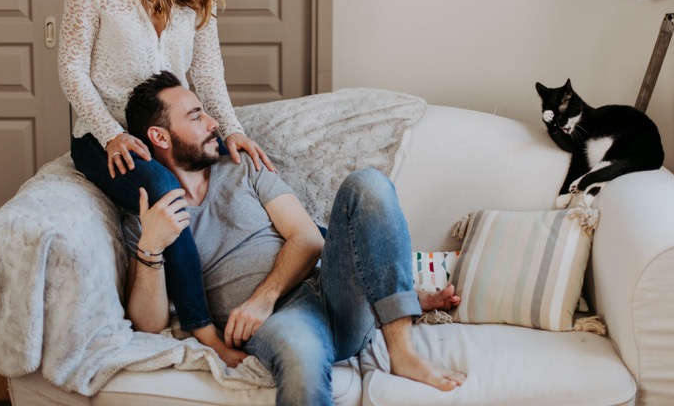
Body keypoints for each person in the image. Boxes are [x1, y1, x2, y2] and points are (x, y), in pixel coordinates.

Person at [122, 71, 467, 405]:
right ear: (160, 137)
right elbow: (148, 325)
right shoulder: (146, 215)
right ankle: (393, 299)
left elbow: (308, 238)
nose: (214, 124)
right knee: (301, 365)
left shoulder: (242, 166)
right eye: (196, 116)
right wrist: (151, 246)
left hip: (332, 288)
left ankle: (402, 351)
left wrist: (263, 298)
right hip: (283, 323)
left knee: (368, 184)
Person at [58, 0, 272, 365]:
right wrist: (111, 133)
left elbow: (208, 72)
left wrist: (231, 130)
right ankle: (202, 328)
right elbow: (70, 67)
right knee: (162, 187)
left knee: (252, 169)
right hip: (103, 139)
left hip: (169, 131)